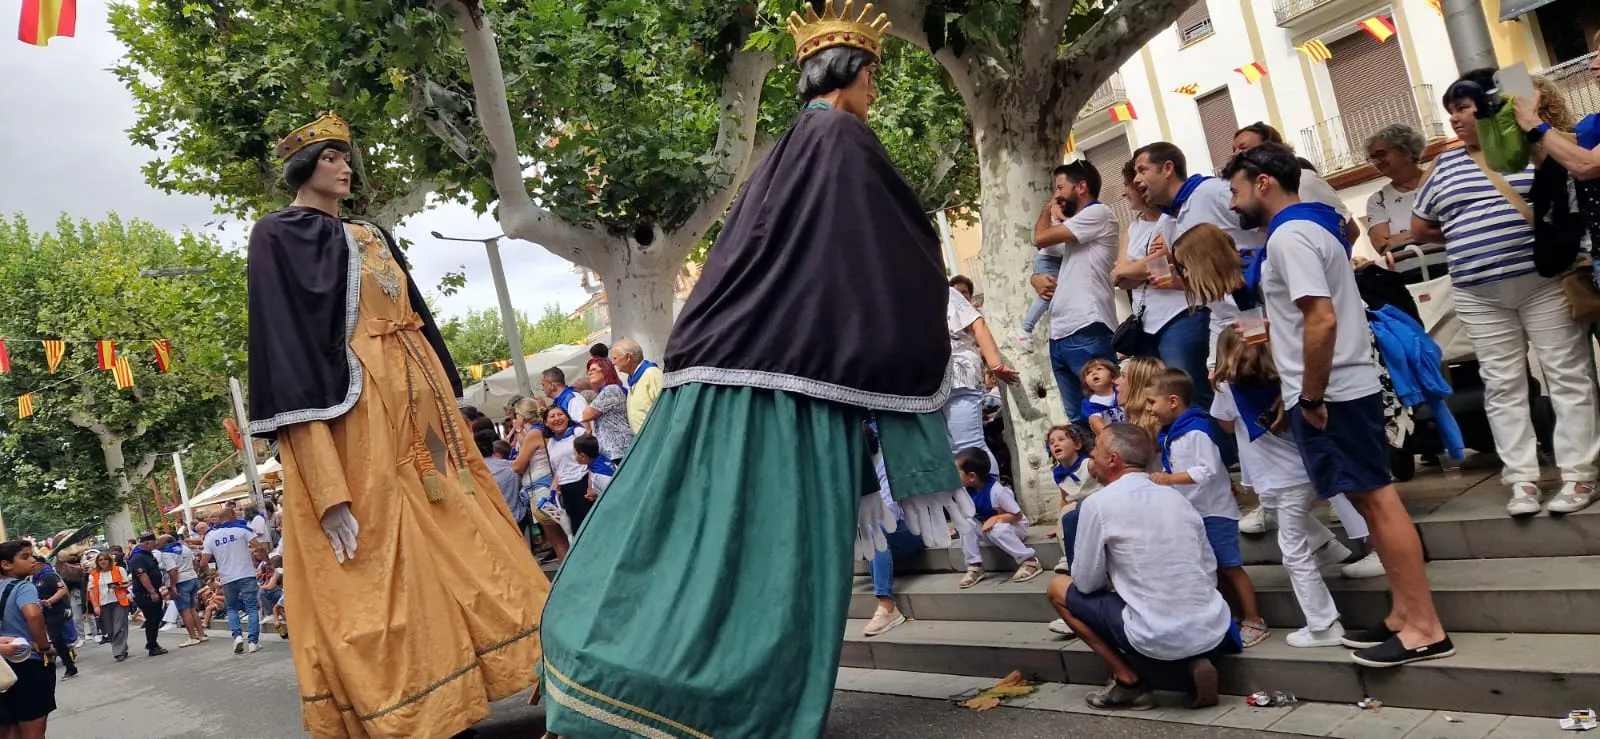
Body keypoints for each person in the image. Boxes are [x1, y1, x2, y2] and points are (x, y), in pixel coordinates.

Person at [540, 6, 975, 734]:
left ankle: (607, 665)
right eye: (874, 80)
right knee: (771, 547)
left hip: (727, 366)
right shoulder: (841, 139)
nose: (874, 94)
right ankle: (708, 696)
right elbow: (893, 248)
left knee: (698, 532)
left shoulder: (785, 148)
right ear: (859, 73)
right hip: (786, 386)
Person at [248, 112, 548, 737]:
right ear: (306, 168)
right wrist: (327, 486)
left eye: (346, 156)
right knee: (383, 546)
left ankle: (529, 657)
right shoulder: (277, 235)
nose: (345, 166)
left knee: (470, 524)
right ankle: (420, 702)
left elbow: (415, 312)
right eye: (332, 156)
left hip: (422, 400)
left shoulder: (371, 230)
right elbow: (286, 342)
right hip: (357, 404)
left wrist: (440, 385)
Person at [1224, 142, 1452, 667]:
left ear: (1263, 183)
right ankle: (1403, 615)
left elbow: (1320, 319)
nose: (1233, 205)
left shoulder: (1289, 237)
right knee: (1373, 504)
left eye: (1236, 191)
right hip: (1336, 385)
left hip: (1335, 390)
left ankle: (1424, 626)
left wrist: (1310, 394)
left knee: (1377, 502)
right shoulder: (1307, 230)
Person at [1412, 72, 1599, 517]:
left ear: (1490, 106)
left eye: (1463, 108)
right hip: (1478, 292)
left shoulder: (1534, 150)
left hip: (1543, 283)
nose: (1454, 119)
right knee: (1502, 385)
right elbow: (1421, 226)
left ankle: (1579, 474)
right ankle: (1522, 479)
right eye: (1450, 111)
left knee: (1567, 375)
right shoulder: (1445, 164)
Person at [1045, 424, 1240, 710]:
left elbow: (1087, 584)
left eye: (1096, 450)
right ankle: (1195, 659)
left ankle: (1129, 683)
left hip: (1154, 630)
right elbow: (1208, 568)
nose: (1092, 456)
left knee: (1057, 588)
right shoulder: (1178, 499)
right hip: (1213, 625)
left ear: (1112, 459)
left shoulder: (1097, 504)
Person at [1212, 329, 1348, 647]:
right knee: (1273, 510)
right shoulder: (1286, 379)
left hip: (1279, 477)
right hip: (1299, 472)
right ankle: (1327, 547)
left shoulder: (1226, 389)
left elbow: (1226, 424)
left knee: (1293, 552)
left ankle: (1324, 624)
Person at [1147, 368, 1267, 647]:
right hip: (1193, 512)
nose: (1150, 409)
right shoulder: (1172, 434)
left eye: (1153, 401)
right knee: (1210, 566)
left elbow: (1208, 469)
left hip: (1214, 511)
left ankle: (1254, 618)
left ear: (1173, 401)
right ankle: (1230, 616)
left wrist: (1168, 479)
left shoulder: (1196, 432)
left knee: (1229, 565)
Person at [1027, 160, 1119, 423]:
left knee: (1104, 410)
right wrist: (1035, 278)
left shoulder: (1098, 213)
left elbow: (1040, 238)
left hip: (1087, 327)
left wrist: (1046, 210)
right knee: (1079, 418)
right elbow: (1045, 255)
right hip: (1061, 335)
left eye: (1059, 187)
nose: (1056, 195)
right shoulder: (1075, 228)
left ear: (1081, 187)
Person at [1232, 122, 1358, 243]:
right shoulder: (1254, 190)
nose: (1236, 155)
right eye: (1234, 150)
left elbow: (1350, 231)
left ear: (1270, 149)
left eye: (1243, 148)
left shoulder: (1305, 180)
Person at [943, 282, 1020, 476]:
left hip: (958, 378)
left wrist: (996, 365)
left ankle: (995, 497)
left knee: (969, 446)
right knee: (952, 450)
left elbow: (977, 322)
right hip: (927, 386)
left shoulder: (945, 292)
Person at [861, 421, 926, 637]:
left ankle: (887, 606)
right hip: (876, 535)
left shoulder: (887, 466)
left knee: (874, 527)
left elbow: (889, 515)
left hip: (912, 530)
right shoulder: (855, 472)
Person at [955, 447, 1043, 588]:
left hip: (1013, 527)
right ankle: (975, 565)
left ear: (971, 476)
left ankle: (1029, 561)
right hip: (988, 529)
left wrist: (995, 519)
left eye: (957, 472)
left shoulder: (998, 492)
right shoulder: (966, 492)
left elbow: (1017, 515)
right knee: (965, 524)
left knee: (997, 529)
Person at [0, 541, 57, 738]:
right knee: (33, 730)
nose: (33, 560)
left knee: (8, 729)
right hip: (26, 663)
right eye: (25, 557)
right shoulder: (23, 587)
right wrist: (43, 646)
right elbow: (33, 615)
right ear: (6, 565)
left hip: (1, 668)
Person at [511, 397, 567, 562]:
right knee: (561, 532)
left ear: (522, 416)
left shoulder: (534, 434)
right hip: (544, 485)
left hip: (540, 488)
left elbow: (518, 465)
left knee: (556, 537)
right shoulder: (539, 431)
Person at [198, 509, 261, 655]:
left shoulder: (211, 536)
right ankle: (253, 642)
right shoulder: (242, 530)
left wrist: (209, 574)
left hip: (227, 578)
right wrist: (268, 562)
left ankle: (237, 636)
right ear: (232, 516)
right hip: (246, 574)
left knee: (231, 608)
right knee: (251, 608)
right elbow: (259, 547)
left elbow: (204, 561)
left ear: (219, 519)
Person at [1363, 124, 1429, 255]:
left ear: (1405, 150)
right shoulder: (1378, 200)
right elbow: (1383, 245)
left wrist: (1404, 237)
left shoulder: (1438, 182)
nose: (1377, 161)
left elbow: (1457, 225)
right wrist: (1431, 231)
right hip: (1408, 271)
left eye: (1381, 154)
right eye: (1373, 158)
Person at [1047, 424, 1100, 582]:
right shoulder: (1059, 474)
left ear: (1077, 444)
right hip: (1074, 509)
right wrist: (1059, 524)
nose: (1055, 444)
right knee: (1064, 515)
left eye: (1061, 439)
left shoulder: (1089, 465)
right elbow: (1064, 498)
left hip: (1095, 504)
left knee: (1069, 512)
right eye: (1051, 442)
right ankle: (1069, 557)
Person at [1014, 203, 1065, 353]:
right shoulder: (1058, 210)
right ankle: (1025, 329)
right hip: (1049, 260)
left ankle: (1026, 330)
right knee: (1047, 295)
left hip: (1054, 260)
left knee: (1052, 296)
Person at [543, 405, 594, 533]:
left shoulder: (578, 433)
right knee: (576, 529)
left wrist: (591, 486)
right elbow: (558, 469)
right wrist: (554, 488)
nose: (557, 419)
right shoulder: (551, 443)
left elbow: (593, 458)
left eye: (560, 414)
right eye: (552, 416)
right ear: (546, 423)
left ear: (567, 417)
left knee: (589, 524)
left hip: (583, 484)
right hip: (566, 489)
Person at [579, 356, 634, 460]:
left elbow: (587, 415)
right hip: (614, 449)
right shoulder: (607, 391)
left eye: (594, 370)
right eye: (589, 371)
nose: (590, 373)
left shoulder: (610, 390)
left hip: (619, 449)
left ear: (606, 371)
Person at [156, 534, 205, 648]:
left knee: (184, 610)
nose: (157, 543)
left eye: (160, 541)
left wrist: (173, 586)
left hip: (180, 582)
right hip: (192, 578)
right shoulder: (185, 548)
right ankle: (201, 634)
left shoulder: (166, 553)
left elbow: (173, 570)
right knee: (192, 608)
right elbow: (195, 563)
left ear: (166, 542)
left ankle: (192, 637)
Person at [30, 558, 76, 679]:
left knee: (56, 637)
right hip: (43, 613)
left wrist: (50, 601)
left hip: (55, 611)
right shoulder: (33, 579)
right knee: (53, 638)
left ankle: (70, 667)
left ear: (41, 565)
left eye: (34, 564)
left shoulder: (49, 575)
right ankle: (65, 656)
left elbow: (62, 590)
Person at [125, 533, 169, 658]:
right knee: (152, 618)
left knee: (156, 616)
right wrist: (152, 592)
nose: (156, 544)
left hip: (153, 590)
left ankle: (153, 643)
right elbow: (142, 575)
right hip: (146, 593)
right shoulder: (139, 557)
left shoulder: (147, 555)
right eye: (154, 542)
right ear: (147, 543)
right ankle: (152, 645)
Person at [610, 338, 662, 434]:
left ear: (628, 357)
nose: (613, 363)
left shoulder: (651, 374)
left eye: (615, 358)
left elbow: (666, 406)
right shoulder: (633, 380)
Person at [88, 553, 131, 662]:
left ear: (109, 560)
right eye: (100, 560)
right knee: (110, 629)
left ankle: (118, 652)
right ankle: (122, 646)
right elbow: (92, 592)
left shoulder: (119, 569)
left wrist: (119, 586)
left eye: (105, 559)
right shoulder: (93, 574)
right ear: (97, 562)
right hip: (103, 604)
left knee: (119, 626)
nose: (103, 562)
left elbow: (127, 583)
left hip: (119, 601)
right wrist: (95, 606)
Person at [1080, 358, 1121, 432]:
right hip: (1110, 437)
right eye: (1089, 372)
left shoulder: (1122, 392)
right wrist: (1110, 437)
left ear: (1113, 377)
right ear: (1087, 384)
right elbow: (1095, 422)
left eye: (1099, 369)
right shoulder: (1090, 403)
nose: (1094, 373)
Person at [572, 435, 616, 501]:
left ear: (582, 456)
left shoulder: (598, 475)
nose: (574, 456)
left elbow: (613, 496)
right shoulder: (602, 458)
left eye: (575, 453)